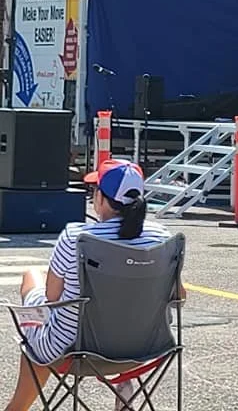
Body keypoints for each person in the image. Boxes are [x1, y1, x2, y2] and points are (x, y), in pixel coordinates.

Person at [4, 160, 179, 411]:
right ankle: (126, 385)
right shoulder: (162, 237)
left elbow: (52, 298)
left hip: (77, 350)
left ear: (100, 198)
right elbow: (178, 296)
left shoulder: (77, 237)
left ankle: (17, 408)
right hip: (144, 349)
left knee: (33, 287)